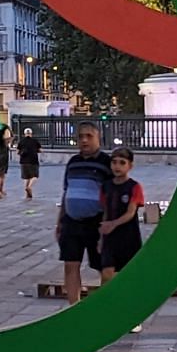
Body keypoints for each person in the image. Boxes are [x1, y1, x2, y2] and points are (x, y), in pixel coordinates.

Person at [56, 121, 113, 304]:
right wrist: (60, 222)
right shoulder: (73, 162)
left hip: (96, 222)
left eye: (89, 136)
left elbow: (111, 197)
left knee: (104, 267)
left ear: (99, 139)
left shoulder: (107, 163)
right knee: (70, 264)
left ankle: (103, 305)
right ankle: (74, 307)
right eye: (81, 137)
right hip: (71, 222)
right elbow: (67, 191)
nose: (84, 140)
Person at [98, 147, 146, 328]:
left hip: (128, 237)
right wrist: (101, 237)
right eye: (114, 162)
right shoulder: (106, 186)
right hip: (109, 238)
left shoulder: (134, 187)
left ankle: (134, 316)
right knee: (107, 274)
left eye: (122, 163)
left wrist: (113, 224)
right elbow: (104, 212)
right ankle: (106, 310)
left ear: (130, 166)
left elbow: (130, 213)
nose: (117, 166)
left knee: (129, 278)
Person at [17, 129, 43, 201]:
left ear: (24, 134)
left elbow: (17, 151)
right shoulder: (35, 141)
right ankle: (29, 187)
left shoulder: (21, 141)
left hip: (23, 162)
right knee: (35, 176)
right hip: (33, 161)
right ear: (31, 134)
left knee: (26, 177)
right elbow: (40, 150)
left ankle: (27, 195)